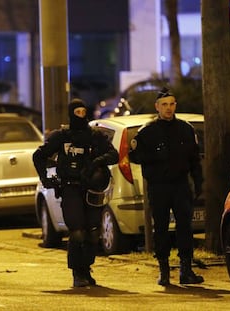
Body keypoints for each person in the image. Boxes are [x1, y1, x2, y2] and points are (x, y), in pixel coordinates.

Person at [33, 98, 118, 287]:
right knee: (77, 231)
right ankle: (77, 272)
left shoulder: (95, 136)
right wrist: (46, 179)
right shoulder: (62, 136)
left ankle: (86, 268)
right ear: (71, 114)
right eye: (77, 112)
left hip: (91, 189)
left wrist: (97, 162)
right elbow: (39, 155)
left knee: (93, 231)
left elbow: (114, 155)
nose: (80, 115)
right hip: (70, 187)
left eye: (83, 112)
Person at [129, 87, 204, 286]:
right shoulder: (147, 131)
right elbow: (134, 156)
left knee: (185, 228)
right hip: (158, 186)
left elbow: (194, 159)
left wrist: (198, 182)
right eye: (164, 105)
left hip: (180, 185)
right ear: (157, 107)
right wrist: (154, 156)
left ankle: (185, 270)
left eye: (171, 104)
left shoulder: (185, 129)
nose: (168, 108)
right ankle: (164, 271)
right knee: (160, 228)